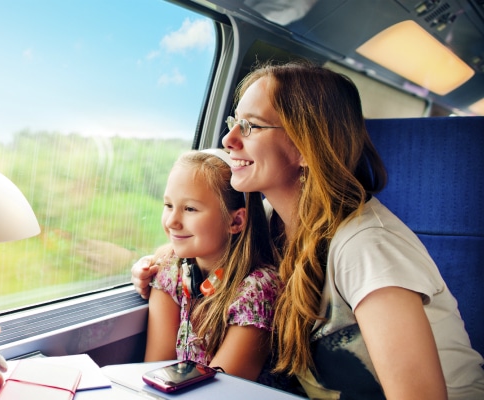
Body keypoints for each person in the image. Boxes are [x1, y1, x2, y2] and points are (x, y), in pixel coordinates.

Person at [133, 61, 484, 399]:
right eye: (233, 122)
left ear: (304, 146)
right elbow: (208, 246)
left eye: (251, 126)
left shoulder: (366, 248)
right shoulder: (272, 219)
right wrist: (154, 263)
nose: (229, 139)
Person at [140, 148, 282, 383]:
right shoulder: (171, 273)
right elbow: (155, 371)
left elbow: (221, 390)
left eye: (190, 209)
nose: (172, 221)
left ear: (235, 221)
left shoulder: (258, 290)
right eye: (168, 205)